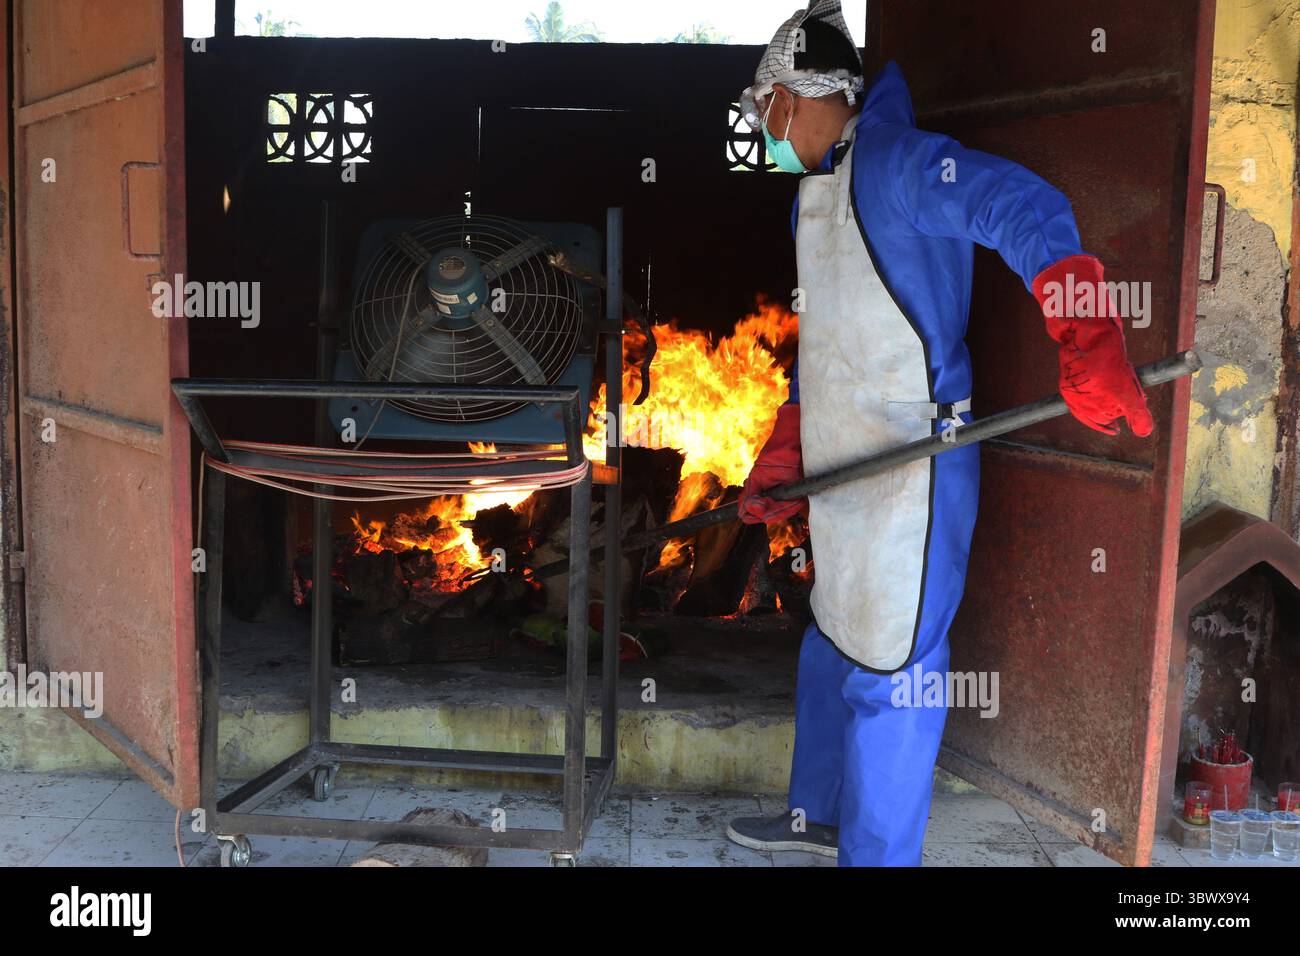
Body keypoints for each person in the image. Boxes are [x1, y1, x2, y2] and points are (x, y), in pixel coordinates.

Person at [725, 0, 1152, 867]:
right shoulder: (816, 195)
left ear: (796, 98)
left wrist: (1086, 330)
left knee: (894, 673)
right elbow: (832, 334)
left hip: (912, 472)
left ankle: (878, 859)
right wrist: (790, 438)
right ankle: (818, 817)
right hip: (845, 465)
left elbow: (1024, 207)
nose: (765, 132)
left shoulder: (897, 162)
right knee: (833, 638)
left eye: (764, 110)